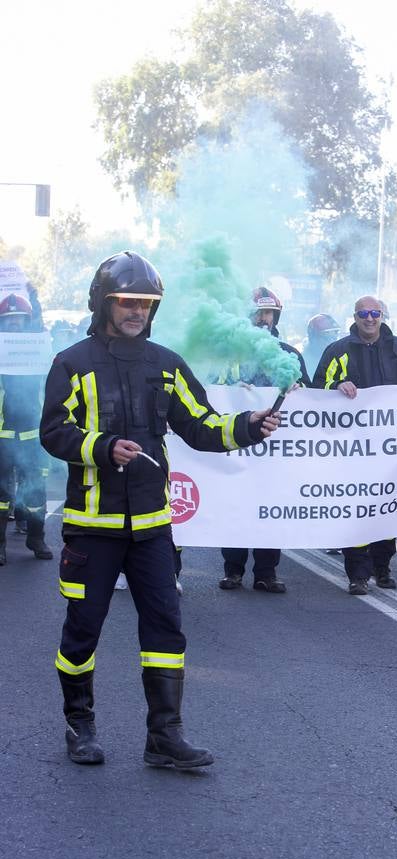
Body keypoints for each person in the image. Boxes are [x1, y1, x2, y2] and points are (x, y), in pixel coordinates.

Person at [40, 251, 281, 768]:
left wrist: (247, 426)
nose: (137, 311)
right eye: (127, 301)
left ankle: (165, 736)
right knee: (83, 631)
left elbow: (201, 425)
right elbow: (54, 432)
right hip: (92, 529)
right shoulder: (71, 363)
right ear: (104, 303)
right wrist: (103, 447)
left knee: (166, 631)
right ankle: (80, 726)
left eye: (146, 304)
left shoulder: (167, 365)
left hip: (153, 529)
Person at [312, 294, 397, 595]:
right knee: (358, 510)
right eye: (363, 313)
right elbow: (317, 388)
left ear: (382, 316)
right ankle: (358, 575)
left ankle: (382, 567)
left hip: (392, 446)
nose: (369, 319)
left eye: (375, 313)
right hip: (352, 448)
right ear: (354, 317)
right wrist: (336, 386)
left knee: (387, 508)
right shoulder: (338, 351)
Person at [218, 287, 310, 594]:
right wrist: (233, 390)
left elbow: (311, 396)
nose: (263, 318)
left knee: (271, 509)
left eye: (269, 313)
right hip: (239, 446)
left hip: (277, 451)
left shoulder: (289, 354)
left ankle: (266, 573)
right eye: (258, 312)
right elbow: (211, 389)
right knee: (236, 506)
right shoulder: (230, 355)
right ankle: (233, 571)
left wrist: (299, 389)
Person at [0, 293, 53, 565]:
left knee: (35, 489)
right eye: (8, 319)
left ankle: (36, 537)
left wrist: (34, 296)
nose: (14, 323)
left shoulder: (38, 348)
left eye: (19, 318)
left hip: (33, 432)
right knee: (1, 493)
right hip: (2, 433)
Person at [302, 313, 340, 381]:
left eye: (335, 332)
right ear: (314, 337)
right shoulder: (304, 361)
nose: (333, 339)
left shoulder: (340, 356)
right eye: (327, 334)